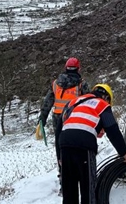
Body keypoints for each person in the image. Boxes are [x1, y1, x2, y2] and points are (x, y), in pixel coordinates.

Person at [56, 83, 126, 204]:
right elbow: (113, 130)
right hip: (84, 145)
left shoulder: (73, 102)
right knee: (88, 188)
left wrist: (59, 155)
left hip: (65, 144)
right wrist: (123, 152)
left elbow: (58, 130)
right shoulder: (102, 104)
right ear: (106, 97)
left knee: (69, 189)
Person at [38, 57, 90, 191]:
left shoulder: (56, 83)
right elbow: (89, 102)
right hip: (75, 120)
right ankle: (78, 174)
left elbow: (47, 103)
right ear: (78, 68)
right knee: (76, 147)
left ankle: (64, 178)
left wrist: (42, 119)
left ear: (65, 68)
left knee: (61, 148)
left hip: (58, 121)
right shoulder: (82, 84)